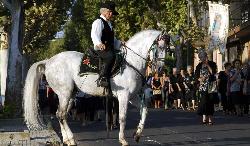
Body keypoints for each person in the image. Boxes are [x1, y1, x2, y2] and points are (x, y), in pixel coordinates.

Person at [90, 1, 123, 87]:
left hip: (109, 49)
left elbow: (112, 40)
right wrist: (99, 44)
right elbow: (94, 35)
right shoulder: (98, 22)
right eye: (110, 12)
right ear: (104, 12)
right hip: (101, 49)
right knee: (110, 56)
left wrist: (121, 43)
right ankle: (102, 78)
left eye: (112, 13)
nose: (112, 14)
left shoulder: (109, 24)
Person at [195, 50, 217, 125]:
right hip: (203, 85)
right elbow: (196, 77)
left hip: (211, 84)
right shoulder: (199, 65)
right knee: (204, 101)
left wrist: (207, 64)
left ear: (206, 56)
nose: (201, 59)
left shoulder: (212, 63)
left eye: (202, 57)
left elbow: (213, 72)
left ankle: (210, 117)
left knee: (211, 101)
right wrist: (200, 79)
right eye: (200, 57)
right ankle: (204, 117)